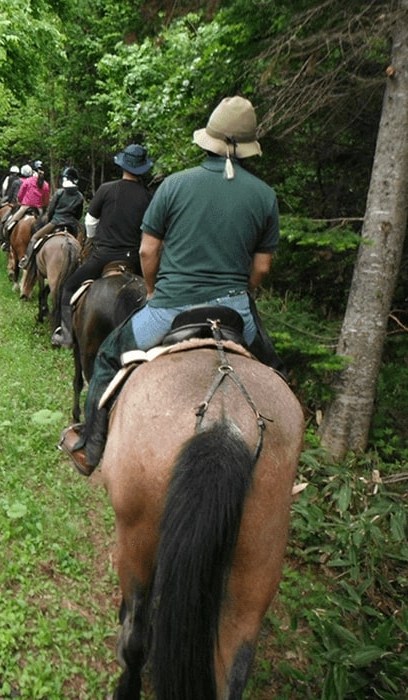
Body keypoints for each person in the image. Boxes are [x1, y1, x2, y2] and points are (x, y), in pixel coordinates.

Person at [59, 96, 284, 476]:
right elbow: (261, 268)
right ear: (247, 148)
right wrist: (238, 291)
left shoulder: (175, 185)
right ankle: (281, 458)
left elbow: (148, 251)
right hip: (235, 310)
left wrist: (152, 292)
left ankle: (91, 445)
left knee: (109, 357)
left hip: (170, 308)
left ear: (208, 140)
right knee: (276, 374)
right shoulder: (264, 196)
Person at [49, 144, 153, 349]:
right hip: (134, 259)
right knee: (152, 292)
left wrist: (92, 239)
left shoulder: (106, 189)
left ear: (122, 165)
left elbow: (90, 221)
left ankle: (67, 334)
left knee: (69, 286)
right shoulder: (147, 196)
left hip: (104, 256)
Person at [19, 167, 84, 270]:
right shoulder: (80, 196)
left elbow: (51, 210)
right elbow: (78, 215)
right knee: (80, 244)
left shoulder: (60, 192)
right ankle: (79, 263)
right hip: (72, 225)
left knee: (35, 237)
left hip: (56, 222)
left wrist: (49, 220)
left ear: (65, 179)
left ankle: (27, 261)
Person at [4, 162, 50, 235]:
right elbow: (46, 200)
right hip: (39, 209)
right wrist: (43, 206)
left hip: (25, 206)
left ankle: (6, 232)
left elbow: (20, 195)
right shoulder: (46, 184)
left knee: (12, 221)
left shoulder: (28, 181)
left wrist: (20, 201)